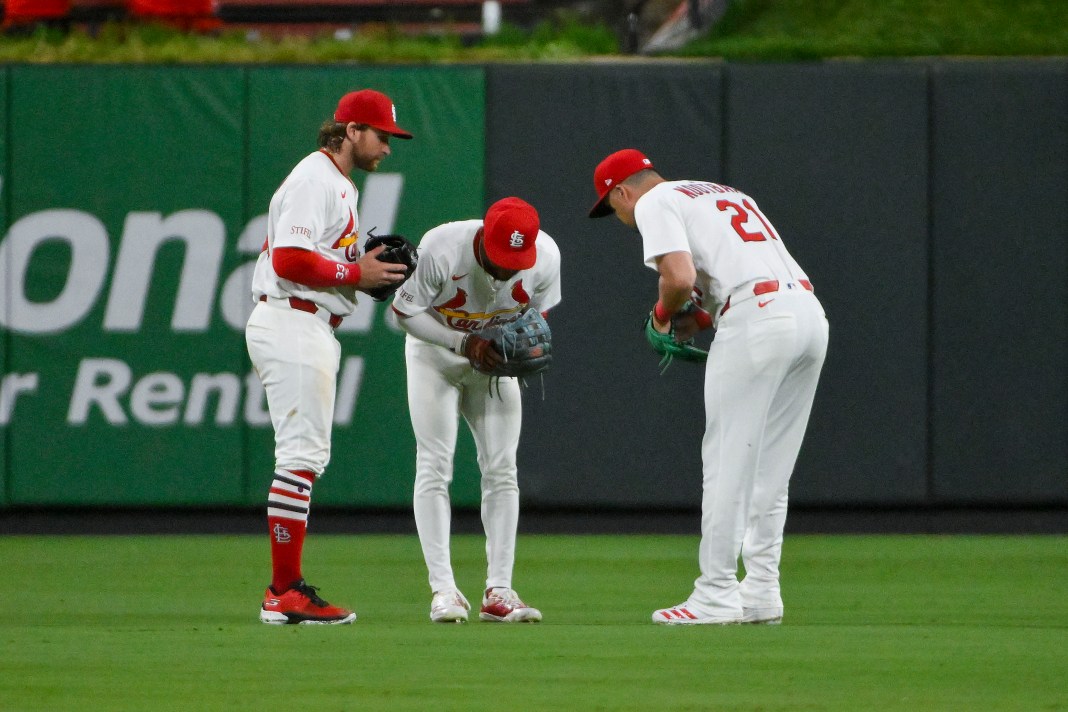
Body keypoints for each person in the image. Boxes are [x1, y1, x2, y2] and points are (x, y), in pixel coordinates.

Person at [588, 149, 828, 625]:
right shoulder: (722, 192)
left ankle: (716, 593)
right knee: (770, 469)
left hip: (756, 322)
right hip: (807, 315)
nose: (619, 218)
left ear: (623, 191)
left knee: (726, 463)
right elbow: (730, 276)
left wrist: (660, 315)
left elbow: (677, 277)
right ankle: (761, 589)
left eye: (612, 208)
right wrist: (699, 317)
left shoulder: (654, 202)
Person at [246, 89, 414, 624]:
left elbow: (319, 258)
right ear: (350, 131)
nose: (387, 147)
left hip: (309, 322)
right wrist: (353, 273)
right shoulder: (315, 177)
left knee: (305, 458)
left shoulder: (336, 183)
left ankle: (285, 588)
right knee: (299, 458)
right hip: (292, 318)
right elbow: (293, 259)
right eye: (381, 135)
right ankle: (283, 591)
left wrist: (359, 267)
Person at [391, 197, 561, 623]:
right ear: (484, 237)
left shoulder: (546, 256)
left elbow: (539, 315)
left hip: (494, 362)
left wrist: (513, 347)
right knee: (434, 465)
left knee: (503, 469)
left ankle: (499, 591)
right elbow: (403, 312)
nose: (508, 269)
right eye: (501, 259)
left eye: (516, 260)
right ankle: (443, 591)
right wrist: (463, 343)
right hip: (436, 357)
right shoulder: (443, 247)